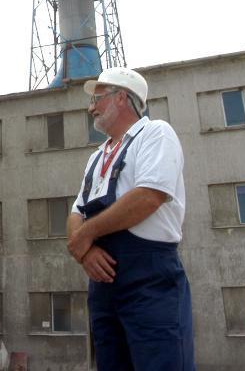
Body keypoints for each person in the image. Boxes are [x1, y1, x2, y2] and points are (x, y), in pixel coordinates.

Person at [66, 67, 195, 370]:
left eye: (97, 98)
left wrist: (86, 235)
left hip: (149, 280)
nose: (90, 107)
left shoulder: (155, 134)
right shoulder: (96, 156)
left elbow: (149, 196)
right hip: (102, 285)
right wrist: (84, 251)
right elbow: (77, 211)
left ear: (121, 97)